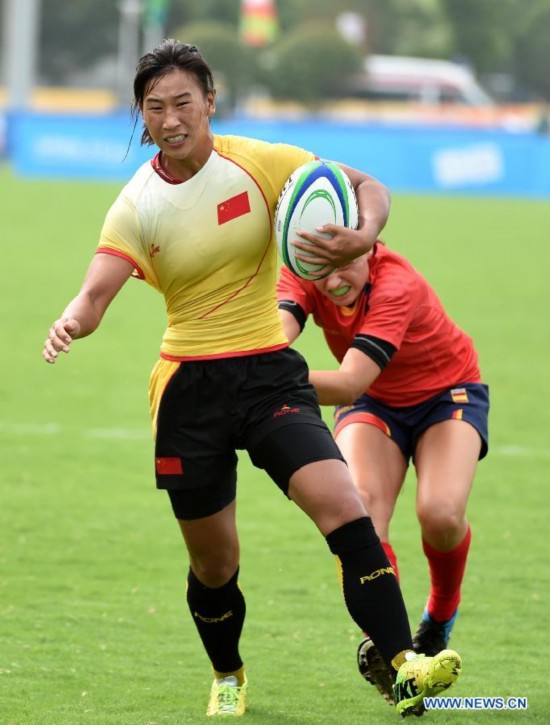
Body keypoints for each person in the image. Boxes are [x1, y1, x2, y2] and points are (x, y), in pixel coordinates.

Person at [42, 39, 462, 718]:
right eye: (156, 106)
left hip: (270, 374)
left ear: (210, 100)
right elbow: (94, 295)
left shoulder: (259, 162)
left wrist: (366, 231)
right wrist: (68, 319)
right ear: (141, 116)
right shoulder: (137, 203)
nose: (172, 117)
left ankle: (404, 661)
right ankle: (229, 671)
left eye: (184, 101)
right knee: (215, 564)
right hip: (188, 391)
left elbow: (366, 187)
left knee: (348, 513)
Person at [277, 240, 489, 703]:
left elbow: (349, 380)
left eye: (343, 266)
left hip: (446, 392)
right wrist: (247, 355)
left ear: (368, 248)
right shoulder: (304, 269)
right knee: (361, 513)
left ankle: (439, 618)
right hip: (374, 402)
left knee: (440, 514)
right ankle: (394, 651)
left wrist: (262, 378)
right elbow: (274, 334)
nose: (332, 282)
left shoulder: (397, 284)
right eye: (319, 270)